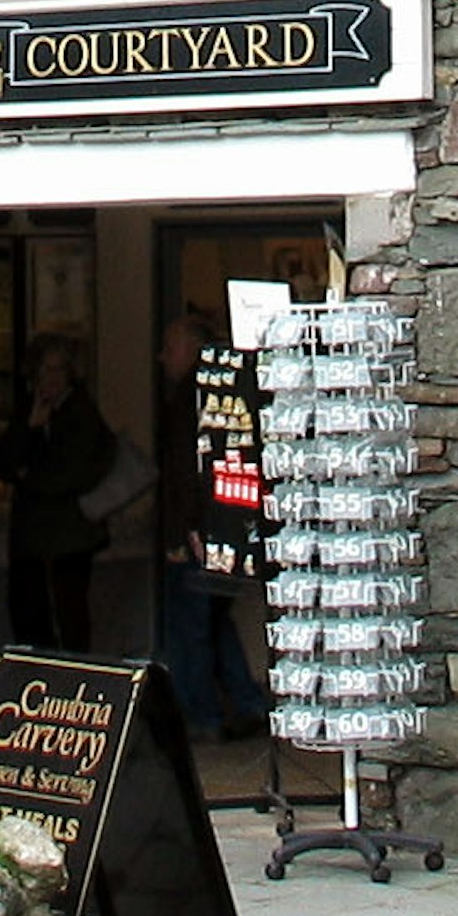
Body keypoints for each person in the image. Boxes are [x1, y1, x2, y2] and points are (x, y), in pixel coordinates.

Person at [154, 315, 268, 738]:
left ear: (189, 349)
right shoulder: (213, 395)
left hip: (192, 536)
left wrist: (188, 527)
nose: (162, 356)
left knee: (193, 627)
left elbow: (189, 468)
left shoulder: (189, 399)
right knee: (214, 622)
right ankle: (247, 701)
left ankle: (203, 714)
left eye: (170, 346)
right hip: (213, 528)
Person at [0, 332, 115, 649]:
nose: (52, 378)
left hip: (68, 536)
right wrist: (30, 430)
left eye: (59, 370)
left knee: (69, 616)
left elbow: (67, 476)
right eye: (45, 370)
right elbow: (1, 464)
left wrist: (26, 476)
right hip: (31, 536)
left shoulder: (81, 415)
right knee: (29, 615)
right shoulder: (30, 411)